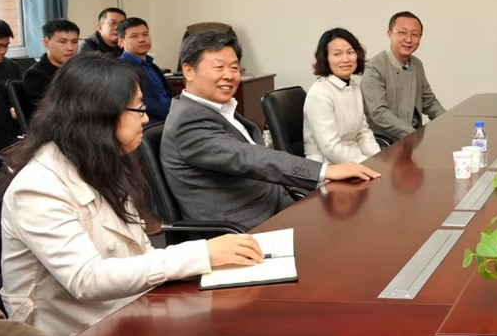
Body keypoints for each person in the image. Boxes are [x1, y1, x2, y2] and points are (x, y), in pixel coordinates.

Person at [0, 53, 265, 336]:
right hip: (73, 328)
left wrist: (209, 261)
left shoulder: (101, 159)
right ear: (100, 114)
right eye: (138, 109)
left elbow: (140, 253)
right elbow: (86, 279)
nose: (146, 118)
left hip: (128, 308)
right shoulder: (38, 186)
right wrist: (201, 254)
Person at [161, 32, 379, 231]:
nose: (229, 75)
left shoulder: (220, 109)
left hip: (276, 204)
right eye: (219, 67)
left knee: (360, 219)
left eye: (234, 68)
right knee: (352, 231)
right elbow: (250, 157)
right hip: (242, 229)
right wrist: (325, 171)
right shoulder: (187, 120)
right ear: (188, 71)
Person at [362, 12, 445, 142]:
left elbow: (429, 102)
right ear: (389, 34)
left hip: (413, 139)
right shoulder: (374, 68)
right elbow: (379, 113)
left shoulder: (417, 64)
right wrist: (414, 136)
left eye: (415, 34)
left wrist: (449, 121)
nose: (409, 39)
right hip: (385, 143)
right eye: (402, 33)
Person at [304, 28, 381, 164]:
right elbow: (331, 149)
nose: (346, 59)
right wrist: (367, 165)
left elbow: (363, 132)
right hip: (327, 164)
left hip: (354, 157)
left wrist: (379, 159)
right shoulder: (320, 93)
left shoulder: (353, 86)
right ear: (325, 58)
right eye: (337, 54)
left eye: (350, 52)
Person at [117, 17, 175, 122]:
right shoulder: (121, 68)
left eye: (145, 34)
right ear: (121, 41)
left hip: (170, 119)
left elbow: (171, 94)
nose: (142, 39)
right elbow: (143, 103)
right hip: (148, 123)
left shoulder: (152, 66)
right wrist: (175, 114)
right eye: (134, 36)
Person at [22, 19, 80, 118]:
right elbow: (50, 113)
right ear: (46, 43)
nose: (70, 48)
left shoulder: (80, 69)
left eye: (74, 42)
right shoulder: (35, 75)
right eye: (62, 42)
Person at [0, 19, 22, 149]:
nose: (2, 51)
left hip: (9, 136)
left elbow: (19, 99)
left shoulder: (11, 66)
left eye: (6, 46)